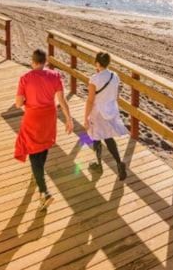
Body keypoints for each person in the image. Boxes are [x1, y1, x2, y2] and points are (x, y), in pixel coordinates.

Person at [14, 49, 73, 208]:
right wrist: (69, 118)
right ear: (45, 61)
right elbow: (61, 100)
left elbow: (18, 104)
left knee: (33, 150)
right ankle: (38, 175)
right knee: (44, 145)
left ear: (33, 62)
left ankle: (44, 192)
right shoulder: (55, 76)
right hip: (49, 117)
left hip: (33, 117)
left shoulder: (25, 78)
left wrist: (26, 101)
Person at [83, 51, 128, 180]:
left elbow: (90, 100)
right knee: (108, 138)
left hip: (98, 113)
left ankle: (98, 165)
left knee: (96, 137)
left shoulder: (94, 79)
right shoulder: (115, 76)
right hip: (111, 111)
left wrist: (86, 117)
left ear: (97, 63)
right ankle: (119, 163)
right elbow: (116, 96)